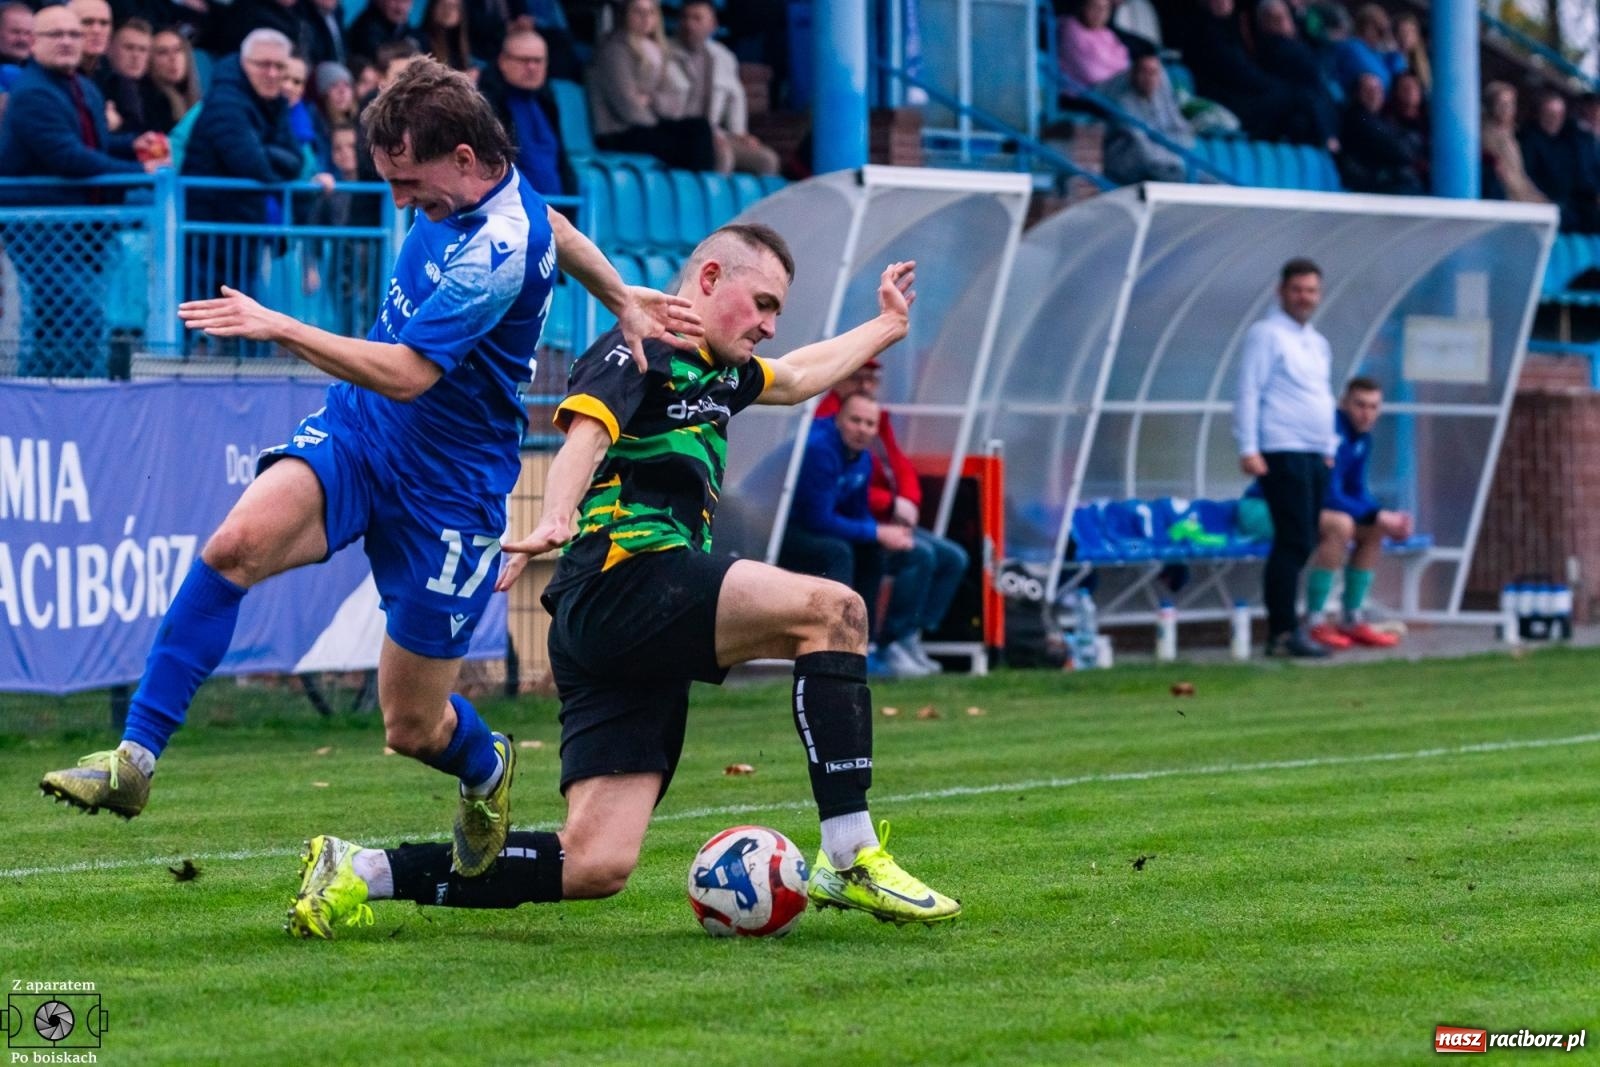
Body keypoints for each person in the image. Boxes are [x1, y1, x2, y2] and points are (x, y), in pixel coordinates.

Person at [39, 58, 704, 884]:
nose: (399, 204)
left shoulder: (496, 247)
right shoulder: (498, 191)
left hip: (449, 490)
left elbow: (408, 371)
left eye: (409, 183)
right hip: (363, 437)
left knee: (411, 724)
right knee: (233, 546)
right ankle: (134, 759)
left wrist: (279, 326)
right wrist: (623, 299)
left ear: (465, 158)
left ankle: (486, 767)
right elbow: (558, 227)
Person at [284, 230, 962, 938]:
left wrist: (887, 325)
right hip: (625, 577)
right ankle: (850, 851)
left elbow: (795, 377)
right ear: (707, 278)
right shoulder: (640, 343)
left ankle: (360, 870)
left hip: (620, 627)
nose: (767, 325)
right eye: (761, 303)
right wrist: (555, 512)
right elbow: (587, 432)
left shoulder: (723, 371)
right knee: (835, 610)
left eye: (776, 313)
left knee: (594, 863)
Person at [0, 4, 163, 378]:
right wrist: (139, 170)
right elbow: (68, 157)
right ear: (35, 44)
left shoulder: (83, 87)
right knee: (77, 314)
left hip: (81, 231)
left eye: (73, 34)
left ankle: (53, 393)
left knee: (63, 322)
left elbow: (94, 147)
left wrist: (134, 145)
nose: (67, 42)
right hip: (40, 228)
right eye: (56, 35)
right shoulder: (32, 93)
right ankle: (64, 395)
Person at [813, 358, 968, 676]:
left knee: (953, 558)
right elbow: (842, 487)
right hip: (857, 520)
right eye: (859, 378)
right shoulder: (829, 422)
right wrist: (889, 505)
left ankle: (911, 635)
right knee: (919, 556)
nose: (867, 386)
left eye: (872, 379)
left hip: (876, 518)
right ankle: (889, 643)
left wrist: (908, 499)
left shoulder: (873, 417)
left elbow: (900, 465)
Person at [1233, 258, 1338, 658]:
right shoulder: (1266, 334)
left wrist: (1329, 449)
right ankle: (1281, 631)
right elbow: (1248, 390)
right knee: (1292, 540)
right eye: (1297, 290)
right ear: (1281, 292)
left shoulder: (1317, 342)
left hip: (1314, 452)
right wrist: (1249, 447)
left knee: (1306, 538)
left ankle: (1290, 628)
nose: (1304, 298)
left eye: (1311, 290)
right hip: (1282, 446)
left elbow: (1323, 396)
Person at [780, 392, 915, 674]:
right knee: (838, 551)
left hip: (816, 527)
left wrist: (881, 535)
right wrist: (876, 531)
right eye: (855, 420)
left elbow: (857, 512)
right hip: (776, 531)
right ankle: (836, 641)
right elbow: (818, 519)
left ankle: (871, 644)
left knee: (874, 552)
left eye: (870, 423)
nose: (863, 429)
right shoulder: (820, 449)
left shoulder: (863, 458)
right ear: (838, 419)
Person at [1303, 377, 1412, 650]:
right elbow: (1328, 494)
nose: (1367, 413)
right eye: (1360, 405)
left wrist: (1384, 517)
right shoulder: (1331, 432)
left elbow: (1356, 491)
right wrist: (1376, 514)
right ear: (1344, 404)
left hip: (1314, 510)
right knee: (1341, 525)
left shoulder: (1362, 439)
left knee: (1375, 528)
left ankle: (1352, 616)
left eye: (1374, 407)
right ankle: (1314, 620)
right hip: (1273, 507)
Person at [588, 0, 716, 172]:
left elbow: (676, 102)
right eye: (638, 12)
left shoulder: (660, 49)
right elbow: (627, 105)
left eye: (650, 12)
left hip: (650, 126)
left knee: (699, 127)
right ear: (626, 15)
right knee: (690, 142)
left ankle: (699, 190)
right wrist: (657, 118)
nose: (645, 18)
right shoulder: (614, 50)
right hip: (619, 132)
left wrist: (652, 99)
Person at [666, 0, 779, 176]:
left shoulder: (723, 57)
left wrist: (739, 134)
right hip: (678, 133)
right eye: (685, 18)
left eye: (697, 18)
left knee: (767, 160)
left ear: (713, 25)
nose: (689, 24)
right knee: (722, 155)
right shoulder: (664, 54)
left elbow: (736, 99)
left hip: (715, 132)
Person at [478, 28, 574, 199]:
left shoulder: (547, 103)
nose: (532, 67)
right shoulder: (484, 103)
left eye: (538, 61)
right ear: (502, 61)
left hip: (556, 210)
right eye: (523, 60)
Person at [1102, 53, 1195, 184]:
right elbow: (1142, 149)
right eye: (1144, 72)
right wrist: (1172, 157)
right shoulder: (1124, 103)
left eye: (1153, 73)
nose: (1148, 78)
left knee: (1215, 184)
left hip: (1166, 166)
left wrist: (1172, 157)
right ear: (1134, 75)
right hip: (1132, 167)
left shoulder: (1164, 102)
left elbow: (1185, 136)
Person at [1520, 90, 1600, 234]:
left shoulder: (1566, 141)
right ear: (1538, 114)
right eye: (1549, 115)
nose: (1554, 120)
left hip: (1572, 203)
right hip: (1546, 204)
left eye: (1558, 115)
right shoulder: (1529, 140)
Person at [1337, 71, 1423, 195]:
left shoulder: (1380, 118)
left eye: (1378, 90)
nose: (1374, 94)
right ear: (1357, 94)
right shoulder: (1359, 118)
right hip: (1372, 188)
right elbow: (1401, 151)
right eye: (1368, 90)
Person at [94, 17, 153, 135]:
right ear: (109, 49)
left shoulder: (156, 94)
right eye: (129, 48)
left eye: (143, 50)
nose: (136, 55)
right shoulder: (96, 89)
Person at [142, 26, 201, 134]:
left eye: (178, 50)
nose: (173, 58)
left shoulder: (197, 101)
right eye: (163, 52)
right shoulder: (150, 102)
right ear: (150, 60)